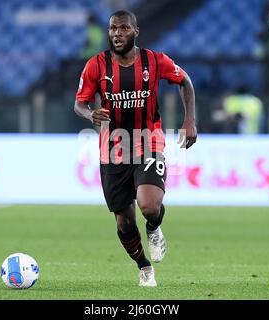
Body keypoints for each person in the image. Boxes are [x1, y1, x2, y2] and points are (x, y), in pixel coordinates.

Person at [74, 10, 197, 287]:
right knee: (124, 222)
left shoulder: (155, 61)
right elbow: (79, 103)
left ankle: (154, 228)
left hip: (148, 140)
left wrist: (189, 119)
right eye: (113, 29)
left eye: (123, 28)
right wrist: (89, 114)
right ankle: (144, 266)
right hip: (113, 148)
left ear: (135, 32)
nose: (117, 33)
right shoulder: (96, 65)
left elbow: (185, 81)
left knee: (149, 206)